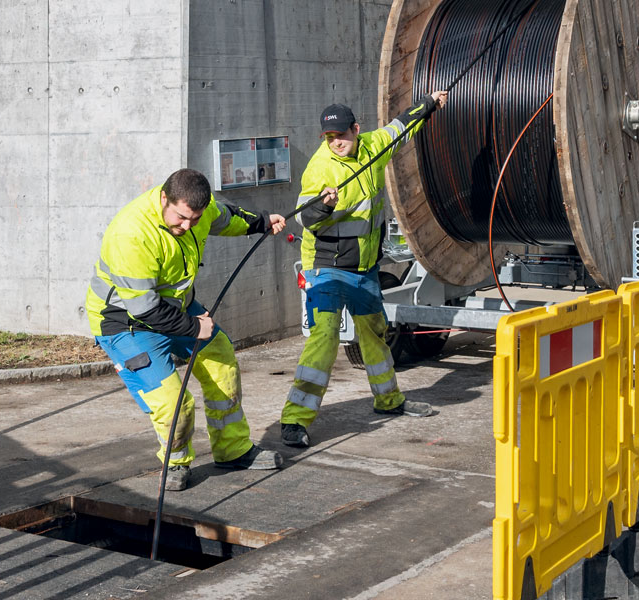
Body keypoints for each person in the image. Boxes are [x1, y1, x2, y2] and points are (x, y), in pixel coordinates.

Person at [86, 168, 287, 491]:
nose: (187, 227)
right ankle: (175, 462)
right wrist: (194, 326)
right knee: (173, 404)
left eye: (194, 220)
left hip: (175, 306)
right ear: (164, 198)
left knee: (221, 358)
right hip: (125, 323)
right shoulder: (131, 235)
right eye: (180, 218)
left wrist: (263, 221)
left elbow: (230, 218)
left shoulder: (198, 213)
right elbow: (145, 309)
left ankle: (233, 450)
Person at [280, 91, 449, 448]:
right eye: (329, 138)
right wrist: (322, 207)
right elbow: (305, 219)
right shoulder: (320, 168)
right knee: (324, 339)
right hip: (325, 268)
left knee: (375, 332)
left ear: (356, 130)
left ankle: (389, 401)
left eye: (341, 135)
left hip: (364, 268)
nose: (336, 143)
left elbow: (401, 127)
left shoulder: (373, 146)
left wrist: (430, 103)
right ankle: (295, 420)